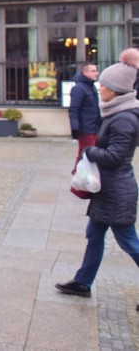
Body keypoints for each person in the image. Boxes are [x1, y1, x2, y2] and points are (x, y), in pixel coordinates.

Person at [56, 56, 139, 298]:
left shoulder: (124, 118)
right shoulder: (117, 113)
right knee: (94, 236)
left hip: (117, 191)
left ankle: (82, 281)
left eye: (103, 84)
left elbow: (115, 156)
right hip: (108, 190)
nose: (99, 87)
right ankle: (82, 282)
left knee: (129, 242)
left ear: (115, 90)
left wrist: (89, 151)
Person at [68, 62, 101, 160]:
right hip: (85, 128)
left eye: (96, 71)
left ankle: (83, 173)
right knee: (85, 154)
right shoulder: (79, 88)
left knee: (89, 154)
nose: (97, 73)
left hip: (94, 127)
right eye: (93, 71)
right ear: (85, 72)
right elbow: (74, 109)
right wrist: (75, 128)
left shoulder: (91, 86)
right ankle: (78, 173)